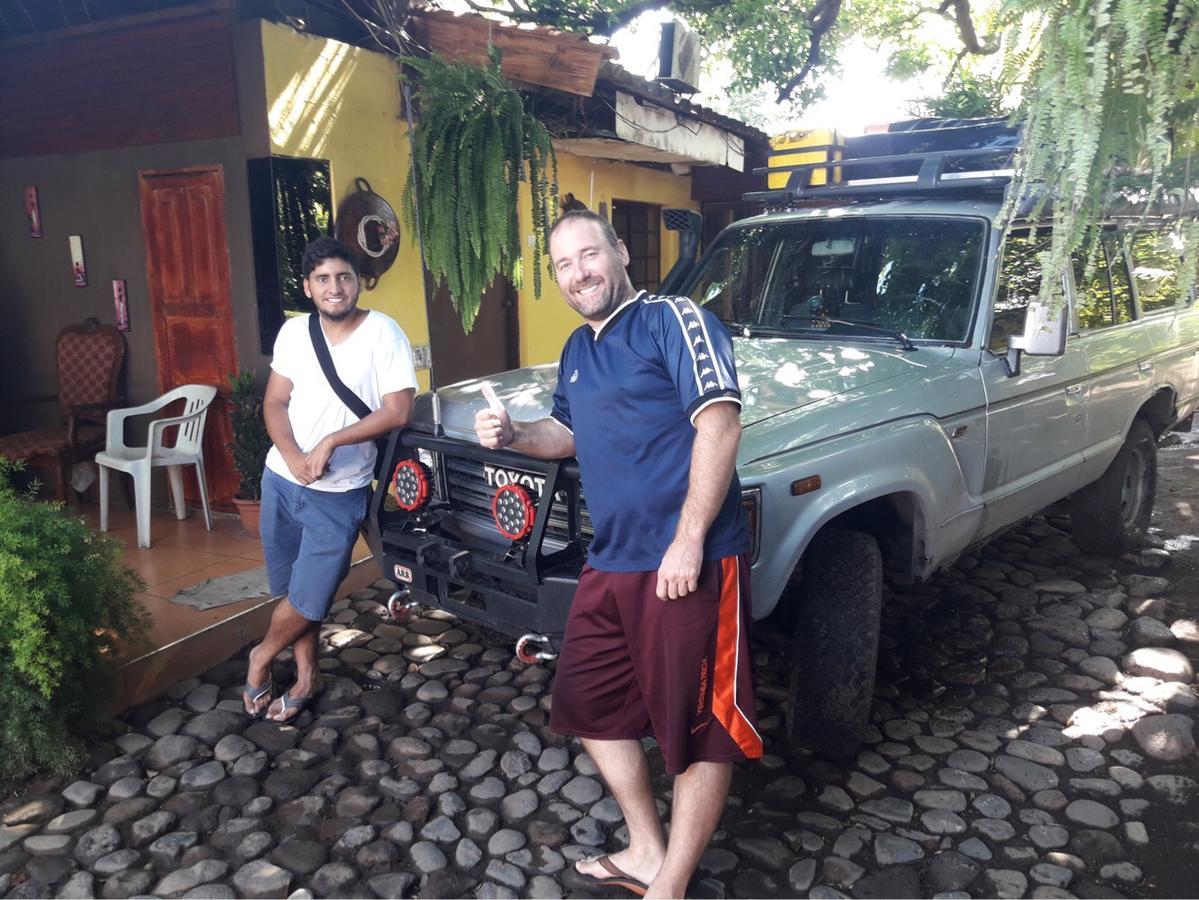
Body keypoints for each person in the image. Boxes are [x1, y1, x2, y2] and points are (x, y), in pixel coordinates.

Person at [475, 210, 762, 898]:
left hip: (685, 562)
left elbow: (719, 421)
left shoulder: (673, 318)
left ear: (619, 253)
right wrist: (514, 434)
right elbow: (565, 436)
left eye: (588, 255)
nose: (579, 274)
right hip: (613, 560)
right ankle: (644, 848)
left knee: (700, 729)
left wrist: (688, 540)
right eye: (563, 266)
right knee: (588, 704)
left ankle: (670, 884)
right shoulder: (577, 349)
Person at [243, 236, 416, 723]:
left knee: (310, 593)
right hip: (281, 479)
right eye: (323, 279)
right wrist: (294, 454)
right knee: (294, 590)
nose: (335, 288)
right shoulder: (295, 334)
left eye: (344, 277)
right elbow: (274, 402)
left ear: (358, 281)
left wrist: (330, 442)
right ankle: (306, 676)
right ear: (307, 287)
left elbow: (399, 409)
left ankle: (259, 659)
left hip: (339, 493)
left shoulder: (383, 333)